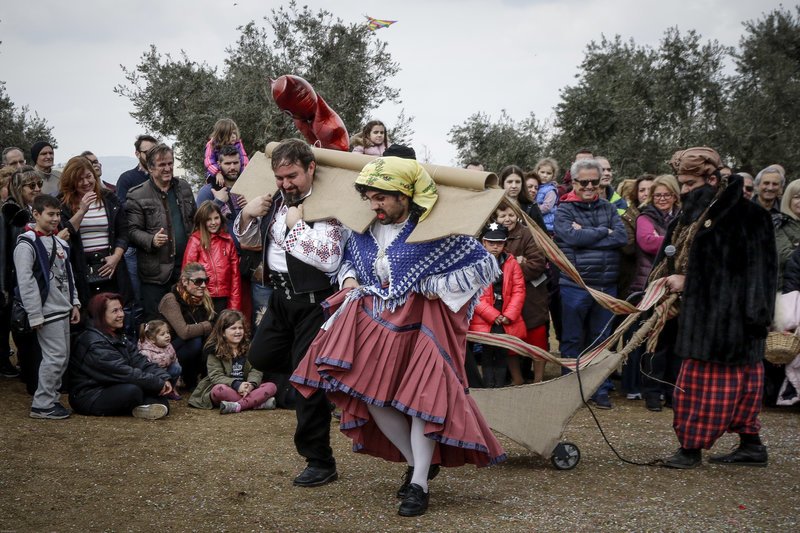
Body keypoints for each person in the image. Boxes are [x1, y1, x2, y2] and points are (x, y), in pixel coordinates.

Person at [291, 156, 506, 517]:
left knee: (420, 398)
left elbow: (480, 265)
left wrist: (433, 284)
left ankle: (418, 483)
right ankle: (418, 462)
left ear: (405, 195)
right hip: (376, 322)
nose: (373, 205)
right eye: (370, 198)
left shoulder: (435, 230)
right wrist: (348, 279)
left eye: (381, 198)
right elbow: (347, 262)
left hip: (423, 324)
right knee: (372, 396)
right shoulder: (363, 229)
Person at [234, 138, 349, 488]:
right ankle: (320, 376)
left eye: (292, 176)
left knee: (305, 386)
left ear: (310, 168)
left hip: (315, 304)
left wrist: (296, 226)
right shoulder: (276, 200)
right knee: (260, 353)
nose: (285, 183)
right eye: (280, 176)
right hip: (281, 299)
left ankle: (320, 461)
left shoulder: (329, 205)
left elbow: (329, 258)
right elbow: (251, 241)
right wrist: (247, 214)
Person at [654, 147, 776, 469]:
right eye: (682, 183)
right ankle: (751, 446)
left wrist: (688, 282)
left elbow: (746, 274)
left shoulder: (748, 217)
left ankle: (690, 450)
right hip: (715, 323)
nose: (683, 191)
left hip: (729, 325)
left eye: (690, 184)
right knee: (740, 388)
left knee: (702, 390)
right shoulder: (692, 216)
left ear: (712, 178)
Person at [554, 158, 627, 409]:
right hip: (576, 286)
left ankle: (599, 388)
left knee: (601, 339)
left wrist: (586, 235)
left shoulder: (608, 208)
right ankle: (570, 389)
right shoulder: (563, 209)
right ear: (573, 182)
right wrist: (602, 232)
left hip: (606, 285)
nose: (588, 186)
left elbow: (621, 236)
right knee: (572, 339)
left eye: (593, 182)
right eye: (583, 182)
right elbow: (569, 236)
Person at [14, 194, 81, 419]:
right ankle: (43, 403)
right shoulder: (27, 243)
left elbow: (68, 275)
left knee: (61, 356)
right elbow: (26, 281)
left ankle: (49, 399)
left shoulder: (60, 242)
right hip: (46, 310)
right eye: (50, 214)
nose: (55, 219)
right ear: (36, 214)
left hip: (62, 307)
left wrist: (75, 302)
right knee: (55, 356)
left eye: (58, 214)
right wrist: (34, 314)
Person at [68, 293, 173, 419]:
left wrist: (162, 377)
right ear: (101, 314)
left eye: (121, 309)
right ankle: (140, 405)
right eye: (115, 311)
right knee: (133, 391)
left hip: (113, 385)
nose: (121, 314)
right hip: (90, 394)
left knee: (159, 398)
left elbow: (140, 361)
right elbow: (123, 372)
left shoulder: (117, 335)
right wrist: (156, 383)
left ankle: (142, 407)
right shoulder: (93, 342)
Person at [126, 143, 197, 321]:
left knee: (188, 319)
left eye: (170, 163)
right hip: (155, 274)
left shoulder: (184, 188)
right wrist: (151, 240)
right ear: (150, 168)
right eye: (162, 165)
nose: (168, 168)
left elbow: (195, 221)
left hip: (184, 269)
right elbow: (131, 231)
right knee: (157, 324)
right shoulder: (137, 195)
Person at [632, 175, 680, 411]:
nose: (662, 199)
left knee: (676, 343)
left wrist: (667, 243)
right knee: (654, 343)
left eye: (667, 195)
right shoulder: (645, 217)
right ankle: (652, 392)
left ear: (674, 196)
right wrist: (674, 244)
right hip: (652, 288)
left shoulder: (681, 217)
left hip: (678, 290)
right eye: (658, 195)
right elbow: (647, 242)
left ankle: (672, 392)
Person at [58, 155, 133, 307]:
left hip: (110, 265)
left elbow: (123, 232)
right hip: (81, 268)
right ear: (71, 180)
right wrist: (82, 210)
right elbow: (64, 234)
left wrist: (116, 257)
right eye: (80, 179)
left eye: (89, 176)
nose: (86, 183)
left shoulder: (109, 198)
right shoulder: (62, 203)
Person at [495, 201, 550, 383]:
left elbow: (537, 264)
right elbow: (489, 267)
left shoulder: (527, 234)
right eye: (502, 216)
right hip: (506, 300)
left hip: (532, 297)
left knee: (537, 337)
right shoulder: (491, 236)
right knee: (510, 341)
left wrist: (509, 271)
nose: (507, 219)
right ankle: (517, 380)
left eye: (511, 215)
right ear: (496, 218)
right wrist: (517, 262)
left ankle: (538, 379)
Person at [469, 222, 527, 387]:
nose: (495, 246)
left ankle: (500, 385)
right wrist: (492, 315)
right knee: (487, 351)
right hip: (485, 316)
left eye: (499, 243)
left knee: (502, 351)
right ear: (483, 242)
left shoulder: (511, 262)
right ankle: (488, 386)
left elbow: (519, 290)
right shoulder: (475, 264)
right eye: (491, 243)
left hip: (505, 314)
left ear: (505, 243)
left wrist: (509, 315)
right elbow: (474, 293)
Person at [189, 309, 277, 413]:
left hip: (247, 388)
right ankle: (256, 403)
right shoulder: (214, 350)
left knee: (271, 386)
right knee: (218, 390)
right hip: (227, 388)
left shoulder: (250, 347)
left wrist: (251, 385)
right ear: (223, 332)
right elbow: (216, 376)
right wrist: (237, 385)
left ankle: (238, 405)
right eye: (233, 328)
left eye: (240, 328)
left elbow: (256, 369)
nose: (238, 331)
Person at [1, 166, 42, 386]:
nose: (36, 189)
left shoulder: (34, 208)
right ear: (18, 187)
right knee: (21, 327)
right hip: (15, 279)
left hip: (32, 277)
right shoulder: (10, 211)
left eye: (39, 185)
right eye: (31, 185)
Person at [158, 262, 216, 390]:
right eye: (198, 281)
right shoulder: (171, 300)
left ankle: (200, 380)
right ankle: (181, 377)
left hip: (188, 347)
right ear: (184, 281)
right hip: (166, 350)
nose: (203, 285)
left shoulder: (203, 299)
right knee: (195, 340)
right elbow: (184, 331)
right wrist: (208, 326)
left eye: (206, 280)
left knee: (209, 341)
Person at [182, 201, 242, 313]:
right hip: (203, 298)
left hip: (224, 299)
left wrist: (234, 306)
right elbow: (187, 273)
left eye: (216, 218)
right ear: (202, 221)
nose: (213, 222)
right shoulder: (195, 240)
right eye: (209, 219)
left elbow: (235, 277)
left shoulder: (228, 241)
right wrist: (193, 301)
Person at [138, 319, 182, 399]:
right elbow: (145, 371)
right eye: (162, 334)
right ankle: (157, 392)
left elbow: (175, 360)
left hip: (166, 374)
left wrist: (177, 383)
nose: (167, 336)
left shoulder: (169, 346)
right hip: (154, 377)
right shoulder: (145, 352)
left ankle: (171, 389)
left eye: (168, 332)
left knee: (176, 367)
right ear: (152, 339)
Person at [204, 118, 249, 189]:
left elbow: (243, 157)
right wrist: (217, 173)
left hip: (233, 173)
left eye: (234, 133)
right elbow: (209, 161)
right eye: (230, 134)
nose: (234, 136)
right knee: (215, 181)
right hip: (216, 171)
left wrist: (244, 170)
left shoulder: (238, 143)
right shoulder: (211, 144)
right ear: (221, 135)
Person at [498, 165, 546, 231]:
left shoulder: (531, 206)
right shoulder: (494, 206)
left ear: (522, 184)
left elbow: (543, 234)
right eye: (510, 182)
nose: (514, 186)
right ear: (503, 183)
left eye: (517, 182)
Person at [773, 178, 800, 290]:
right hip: (785, 290)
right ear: (788, 199)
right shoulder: (778, 223)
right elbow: (785, 256)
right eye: (797, 197)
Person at [116, 135, 158, 205]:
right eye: (147, 152)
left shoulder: (163, 176)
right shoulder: (126, 179)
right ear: (137, 154)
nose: (152, 156)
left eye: (155, 152)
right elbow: (121, 207)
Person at [533, 157, 560, 234]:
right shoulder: (536, 186)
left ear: (553, 175)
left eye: (548, 173)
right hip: (537, 222)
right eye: (542, 172)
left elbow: (547, 207)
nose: (545, 175)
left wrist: (533, 210)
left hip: (547, 225)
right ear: (537, 172)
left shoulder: (551, 190)